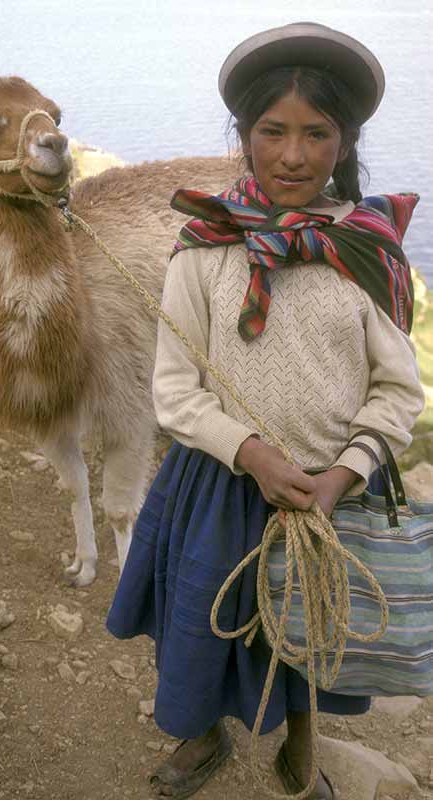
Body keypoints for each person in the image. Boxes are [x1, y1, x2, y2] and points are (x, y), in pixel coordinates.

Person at [106, 21, 425, 800]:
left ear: (343, 143)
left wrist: (341, 474)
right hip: (217, 486)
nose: (292, 154)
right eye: (271, 131)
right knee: (197, 624)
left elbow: (397, 392)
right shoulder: (205, 247)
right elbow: (175, 391)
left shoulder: (364, 250)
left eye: (317, 134)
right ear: (243, 137)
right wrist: (250, 452)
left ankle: (302, 746)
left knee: (311, 631)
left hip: (328, 497)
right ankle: (200, 733)